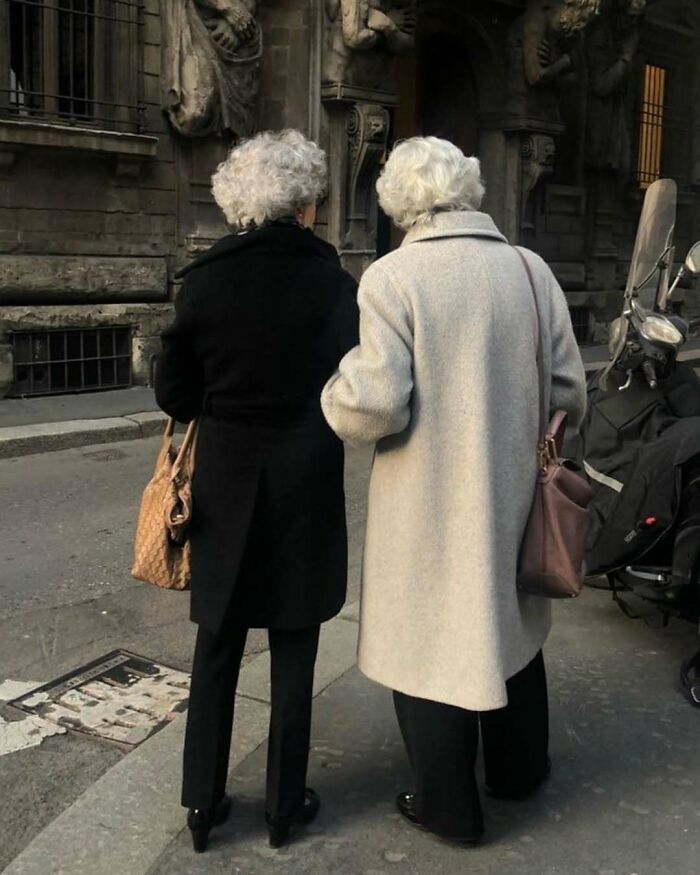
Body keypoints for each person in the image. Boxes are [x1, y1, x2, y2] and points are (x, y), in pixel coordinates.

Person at [321, 136, 586, 845]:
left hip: (428, 503)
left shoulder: (393, 276)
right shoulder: (530, 271)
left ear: (400, 202)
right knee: (509, 626)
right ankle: (519, 770)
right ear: (467, 188)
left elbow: (374, 406)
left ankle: (448, 807)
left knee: (431, 641)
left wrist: (334, 391)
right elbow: (569, 391)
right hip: (513, 497)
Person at [155, 129, 359, 853]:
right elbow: (352, 382)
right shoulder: (335, 284)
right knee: (295, 642)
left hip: (228, 479)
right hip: (304, 473)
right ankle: (281, 806)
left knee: (218, 642)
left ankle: (203, 805)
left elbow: (175, 391)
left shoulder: (206, 279)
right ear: (304, 204)